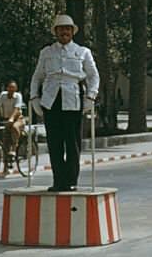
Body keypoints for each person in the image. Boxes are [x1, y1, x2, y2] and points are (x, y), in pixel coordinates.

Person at [30, 14, 100, 192]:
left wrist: (91, 96)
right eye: (61, 29)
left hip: (73, 99)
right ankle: (58, 180)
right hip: (51, 99)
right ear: (55, 32)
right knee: (54, 143)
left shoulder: (83, 52)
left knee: (72, 142)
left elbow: (93, 76)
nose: (64, 32)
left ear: (72, 32)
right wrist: (34, 97)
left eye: (67, 29)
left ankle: (71, 180)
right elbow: (37, 76)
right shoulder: (46, 52)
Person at [0, 79, 25, 159]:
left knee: (15, 127)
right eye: (10, 87)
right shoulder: (2, 95)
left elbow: (17, 109)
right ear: (7, 88)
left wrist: (11, 118)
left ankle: (14, 149)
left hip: (17, 119)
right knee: (5, 142)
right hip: (5, 119)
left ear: (15, 89)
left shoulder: (18, 96)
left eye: (13, 88)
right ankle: (5, 167)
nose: (11, 90)